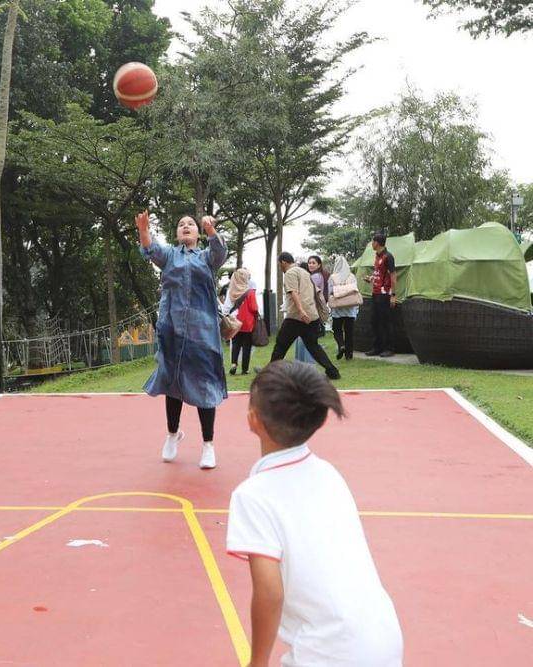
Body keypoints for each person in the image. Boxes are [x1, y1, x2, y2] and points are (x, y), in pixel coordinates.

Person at [227, 361, 403, 666]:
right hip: (384, 639)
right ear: (319, 421)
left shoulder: (253, 495)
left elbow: (269, 592)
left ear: (252, 420)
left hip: (330, 652)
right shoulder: (329, 473)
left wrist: (257, 662)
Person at [136, 209, 227, 469]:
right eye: (181, 224)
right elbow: (151, 249)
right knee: (172, 380)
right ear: (177, 234)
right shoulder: (169, 256)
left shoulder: (206, 257)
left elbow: (220, 253)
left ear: (198, 233)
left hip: (203, 332)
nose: (186, 226)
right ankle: (172, 434)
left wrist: (211, 231)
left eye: (190, 224)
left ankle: (208, 445)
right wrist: (143, 230)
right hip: (172, 329)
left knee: (204, 384)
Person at [270, 253, 341, 380]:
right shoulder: (305, 272)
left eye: (279, 263)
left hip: (296, 316)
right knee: (313, 346)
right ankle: (333, 372)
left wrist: (301, 311)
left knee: (281, 345)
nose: (279, 266)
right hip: (311, 315)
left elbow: (294, 293)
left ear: (283, 262)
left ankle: (270, 372)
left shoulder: (290, 273)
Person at [364, 233, 396, 358]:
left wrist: (393, 294)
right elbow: (379, 273)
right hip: (375, 292)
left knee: (386, 321)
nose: (372, 244)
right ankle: (377, 347)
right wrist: (371, 278)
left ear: (377, 243)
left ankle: (389, 348)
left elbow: (393, 275)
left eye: (372, 242)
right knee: (375, 321)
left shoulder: (388, 256)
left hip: (385, 294)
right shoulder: (377, 256)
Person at [225, 268, 259, 375]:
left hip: (234, 321)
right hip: (247, 323)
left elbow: (227, 307)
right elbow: (254, 308)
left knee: (235, 344)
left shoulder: (230, 291)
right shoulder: (250, 292)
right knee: (246, 346)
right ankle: (245, 369)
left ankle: (233, 364)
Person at [328, 255, 361, 360]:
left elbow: (330, 292)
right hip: (350, 308)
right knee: (349, 332)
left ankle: (341, 345)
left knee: (337, 329)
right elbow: (355, 290)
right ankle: (349, 355)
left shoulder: (333, 277)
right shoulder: (352, 276)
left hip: (338, 308)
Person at [292, 262, 316, 365]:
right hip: (307, 313)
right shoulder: (309, 280)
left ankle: (302, 362)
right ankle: (305, 362)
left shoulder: (303, 282)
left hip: (303, 313)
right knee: (306, 339)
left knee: (303, 338)